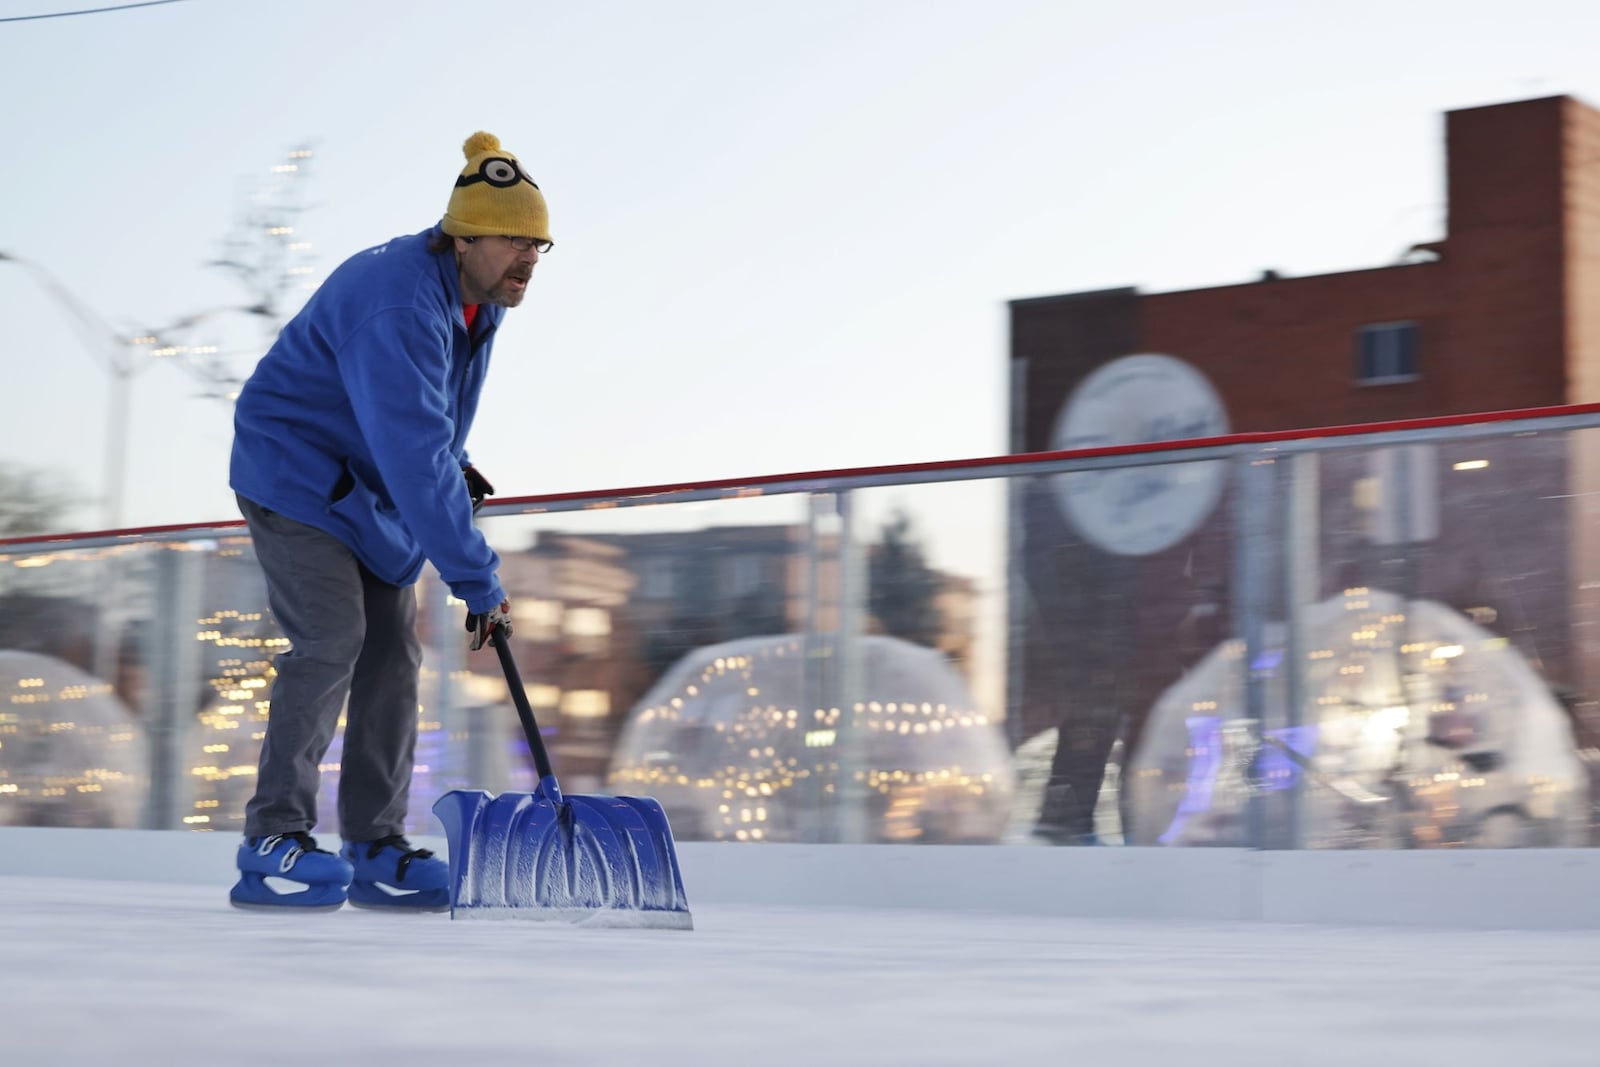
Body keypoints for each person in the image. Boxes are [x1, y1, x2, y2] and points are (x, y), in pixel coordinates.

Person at [225, 131, 551, 910]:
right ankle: (272, 836)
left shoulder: (478, 300)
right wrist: (477, 577)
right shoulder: (400, 299)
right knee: (333, 638)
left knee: (392, 659)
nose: (531, 259)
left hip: (366, 484)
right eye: (516, 241)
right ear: (464, 235)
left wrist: (455, 462)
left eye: (541, 244)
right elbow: (412, 453)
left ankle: (373, 842)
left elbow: (433, 425)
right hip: (295, 471)